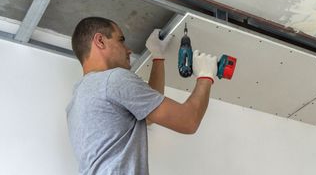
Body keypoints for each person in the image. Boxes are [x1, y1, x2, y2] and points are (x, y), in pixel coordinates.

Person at [66, 16, 217, 174]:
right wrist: (206, 76)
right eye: (121, 40)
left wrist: (158, 57)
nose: (128, 49)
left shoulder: (78, 98)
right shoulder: (114, 79)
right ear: (100, 41)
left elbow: (149, 114)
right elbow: (188, 121)